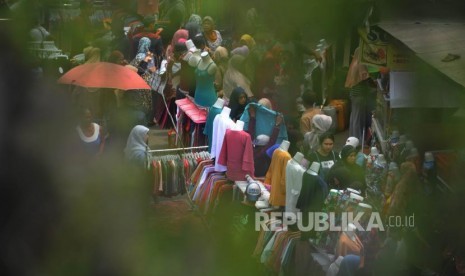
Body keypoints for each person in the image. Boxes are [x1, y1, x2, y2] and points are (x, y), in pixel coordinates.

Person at [345, 47, 376, 141]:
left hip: (354, 94)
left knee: (354, 116)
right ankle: (357, 139)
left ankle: (353, 137)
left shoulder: (354, 62)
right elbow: (365, 77)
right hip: (359, 95)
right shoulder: (360, 63)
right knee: (358, 119)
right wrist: (375, 84)